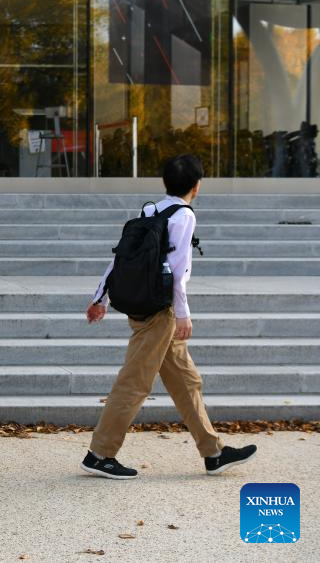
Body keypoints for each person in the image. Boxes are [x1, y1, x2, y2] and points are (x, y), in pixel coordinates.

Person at [80, 154, 257, 479]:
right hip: (160, 314)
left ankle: (214, 453)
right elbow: (178, 271)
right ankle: (99, 454)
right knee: (134, 383)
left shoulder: (151, 210)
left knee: (186, 381)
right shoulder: (184, 215)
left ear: (165, 183)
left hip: (146, 307)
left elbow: (119, 258)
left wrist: (99, 297)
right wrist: (183, 314)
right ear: (196, 186)